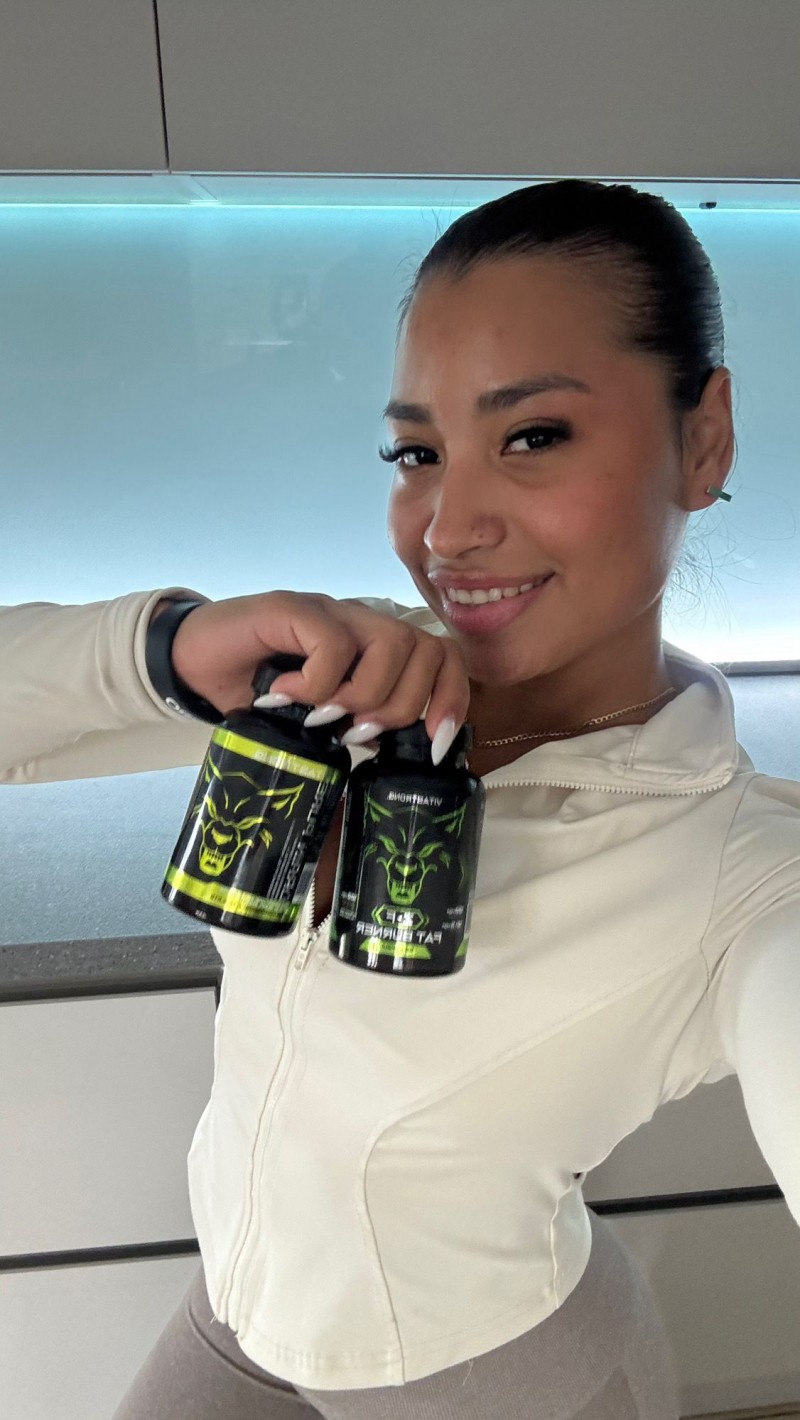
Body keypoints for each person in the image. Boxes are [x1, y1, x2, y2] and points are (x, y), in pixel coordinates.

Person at [3, 179, 799, 1420]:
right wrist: (168, 648)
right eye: (416, 454)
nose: (447, 528)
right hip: (232, 1320)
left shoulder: (740, 866)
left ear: (702, 441)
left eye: (531, 436)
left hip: (500, 1382)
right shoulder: (345, 683)